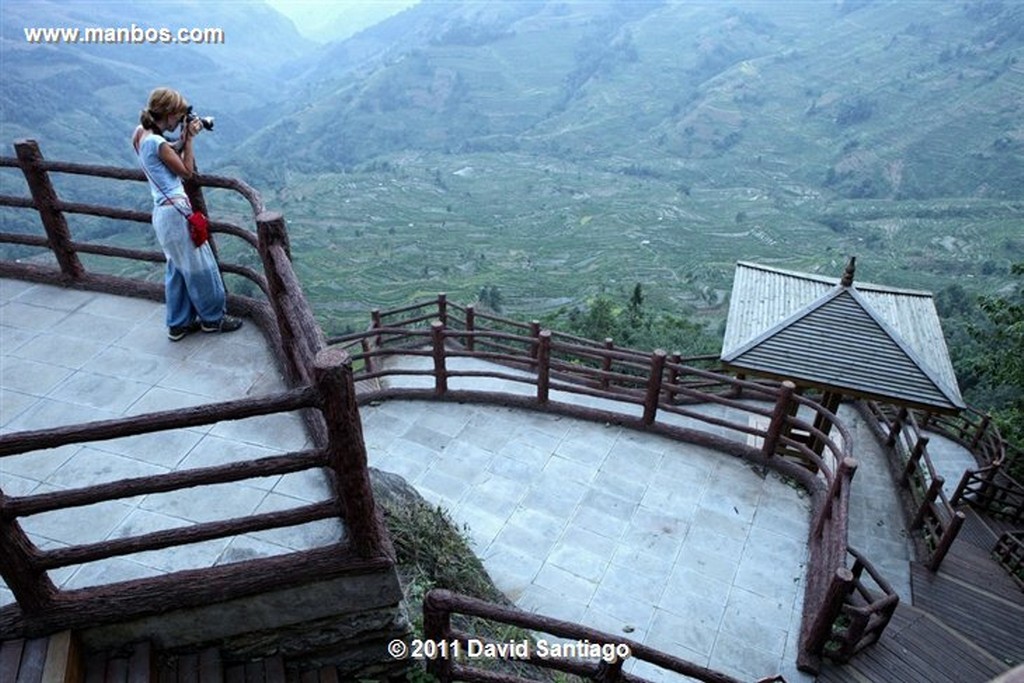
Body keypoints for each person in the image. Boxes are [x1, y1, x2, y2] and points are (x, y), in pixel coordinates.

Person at [132, 87, 242, 341]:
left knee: (178, 268)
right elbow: (186, 172)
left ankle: (178, 323)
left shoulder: (140, 134)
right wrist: (189, 140)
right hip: (177, 213)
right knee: (200, 267)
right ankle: (213, 319)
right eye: (178, 115)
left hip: (162, 213)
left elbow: (165, 153)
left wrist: (181, 138)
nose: (180, 120)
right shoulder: (158, 143)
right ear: (169, 114)